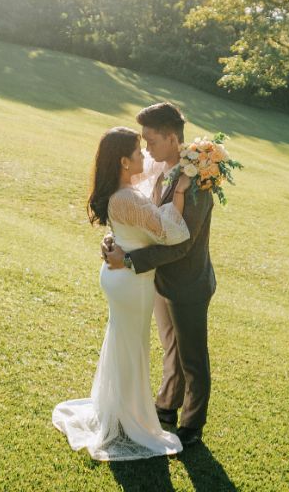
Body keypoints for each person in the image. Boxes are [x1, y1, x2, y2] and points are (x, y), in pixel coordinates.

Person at [51, 126, 193, 460]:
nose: (144, 154)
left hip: (121, 277)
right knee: (132, 347)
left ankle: (119, 409)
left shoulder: (125, 191)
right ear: (124, 162)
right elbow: (170, 232)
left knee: (123, 343)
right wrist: (181, 193)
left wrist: (185, 158)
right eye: (138, 151)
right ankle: (129, 419)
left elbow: (155, 174)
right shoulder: (127, 198)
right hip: (131, 282)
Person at [102, 102, 216, 447]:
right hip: (158, 280)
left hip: (188, 282)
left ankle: (192, 424)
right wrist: (117, 239)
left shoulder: (197, 181)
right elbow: (142, 216)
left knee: (192, 357)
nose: (147, 149)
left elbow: (181, 245)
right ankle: (167, 406)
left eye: (151, 142)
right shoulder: (161, 169)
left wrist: (129, 260)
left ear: (171, 139)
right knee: (170, 347)